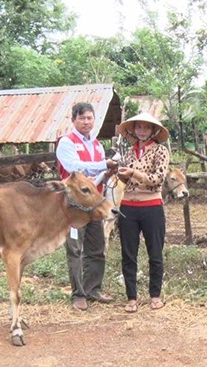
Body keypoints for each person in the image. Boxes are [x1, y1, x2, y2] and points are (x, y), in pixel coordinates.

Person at [56, 102, 119, 311]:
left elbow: (93, 178)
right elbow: (74, 168)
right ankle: (78, 294)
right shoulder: (66, 143)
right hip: (73, 205)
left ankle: (93, 289)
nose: (86, 122)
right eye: (82, 118)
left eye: (89, 118)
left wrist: (106, 173)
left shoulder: (97, 145)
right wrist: (104, 165)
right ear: (73, 120)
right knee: (75, 249)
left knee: (97, 246)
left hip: (94, 204)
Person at [116, 112, 170, 313]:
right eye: (139, 127)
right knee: (128, 254)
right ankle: (131, 297)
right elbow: (125, 181)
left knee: (155, 253)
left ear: (153, 130)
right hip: (128, 206)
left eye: (146, 127)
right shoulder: (129, 153)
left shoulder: (160, 151)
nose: (142, 131)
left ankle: (155, 295)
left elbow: (157, 179)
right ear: (133, 130)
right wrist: (119, 173)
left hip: (152, 206)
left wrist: (133, 173)